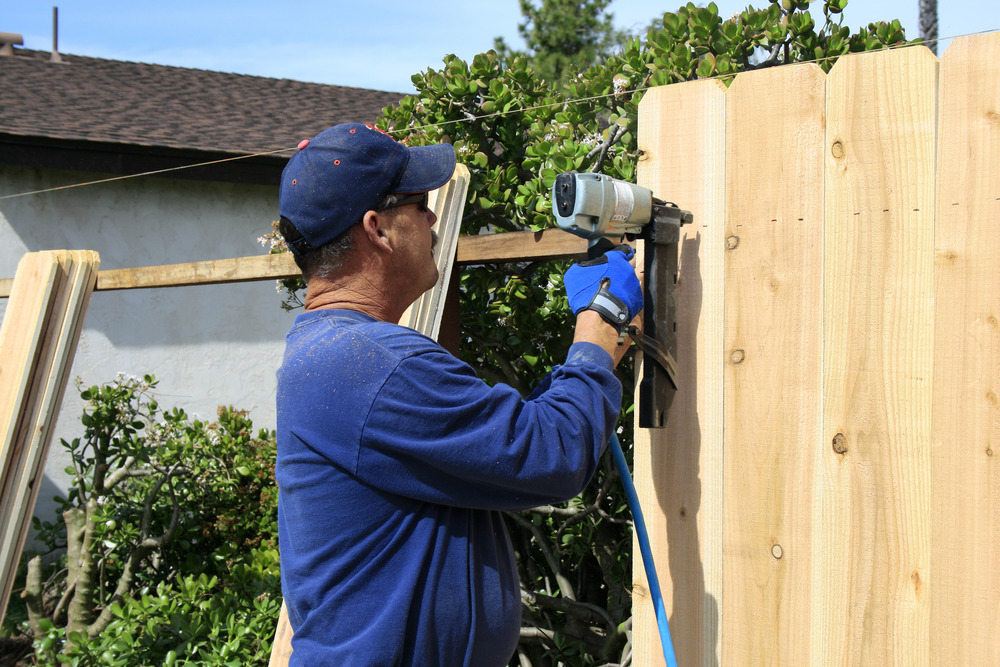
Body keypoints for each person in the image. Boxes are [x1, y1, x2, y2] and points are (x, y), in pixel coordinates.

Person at [274, 122, 643, 666]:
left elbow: (497, 449)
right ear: (377, 228)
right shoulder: (370, 364)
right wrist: (601, 324)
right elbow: (551, 454)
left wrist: (588, 358)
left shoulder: (335, 353)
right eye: (418, 203)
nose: (431, 218)